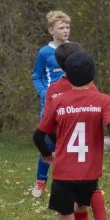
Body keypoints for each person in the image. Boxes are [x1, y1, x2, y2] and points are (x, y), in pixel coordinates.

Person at [33, 51, 110, 220]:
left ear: (67, 76)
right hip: (88, 175)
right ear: (92, 74)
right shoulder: (102, 99)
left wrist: (46, 153)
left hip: (63, 174)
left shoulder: (60, 101)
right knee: (82, 214)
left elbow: (39, 135)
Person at [44, 42, 110, 220]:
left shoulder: (54, 89)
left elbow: (47, 124)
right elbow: (105, 106)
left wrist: (55, 146)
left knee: (77, 190)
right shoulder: (86, 84)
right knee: (90, 185)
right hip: (85, 146)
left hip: (66, 147)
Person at [31, 11, 71, 197]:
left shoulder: (74, 49)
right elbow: (36, 76)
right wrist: (43, 93)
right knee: (48, 145)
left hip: (70, 104)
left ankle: (68, 182)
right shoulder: (45, 52)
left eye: (67, 27)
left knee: (67, 144)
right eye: (61, 27)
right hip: (50, 105)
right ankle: (41, 182)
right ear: (51, 30)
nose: (65, 31)